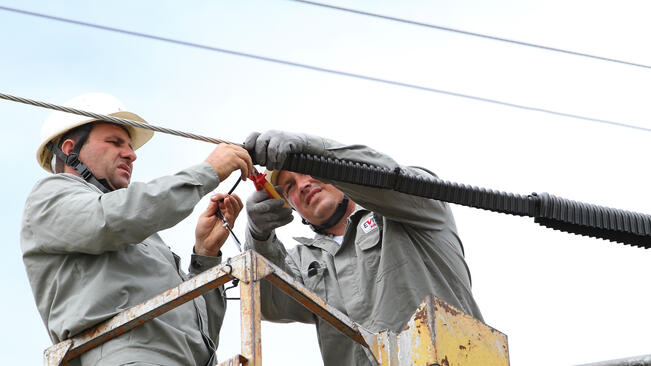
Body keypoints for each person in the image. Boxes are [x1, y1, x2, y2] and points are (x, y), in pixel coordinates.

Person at [21, 93, 254, 366]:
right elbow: (111, 218)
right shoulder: (50, 197)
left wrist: (205, 255)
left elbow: (201, 339)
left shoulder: (145, 236)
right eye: (114, 142)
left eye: (130, 146)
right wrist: (207, 172)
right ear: (71, 149)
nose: (131, 154)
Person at [243, 130, 483, 365]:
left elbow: (392, 180)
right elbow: (266, 301)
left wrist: (315, 147)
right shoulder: (302, 263)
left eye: (309, 169)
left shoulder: (410, 211)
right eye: (289, 186)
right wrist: (258, 235)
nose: (304, 184)